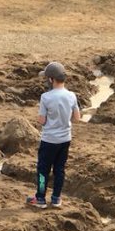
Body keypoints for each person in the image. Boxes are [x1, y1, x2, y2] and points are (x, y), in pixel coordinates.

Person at [27, 62, 80, 208]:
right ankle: (56, 198)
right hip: (65, 139)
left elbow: (42, 120)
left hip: (49, 140)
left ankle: (41, 198)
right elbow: (77, 117)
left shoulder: (46, 97)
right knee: (59, 169)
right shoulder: (71, 95)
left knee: (43, 171)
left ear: (51, 79)